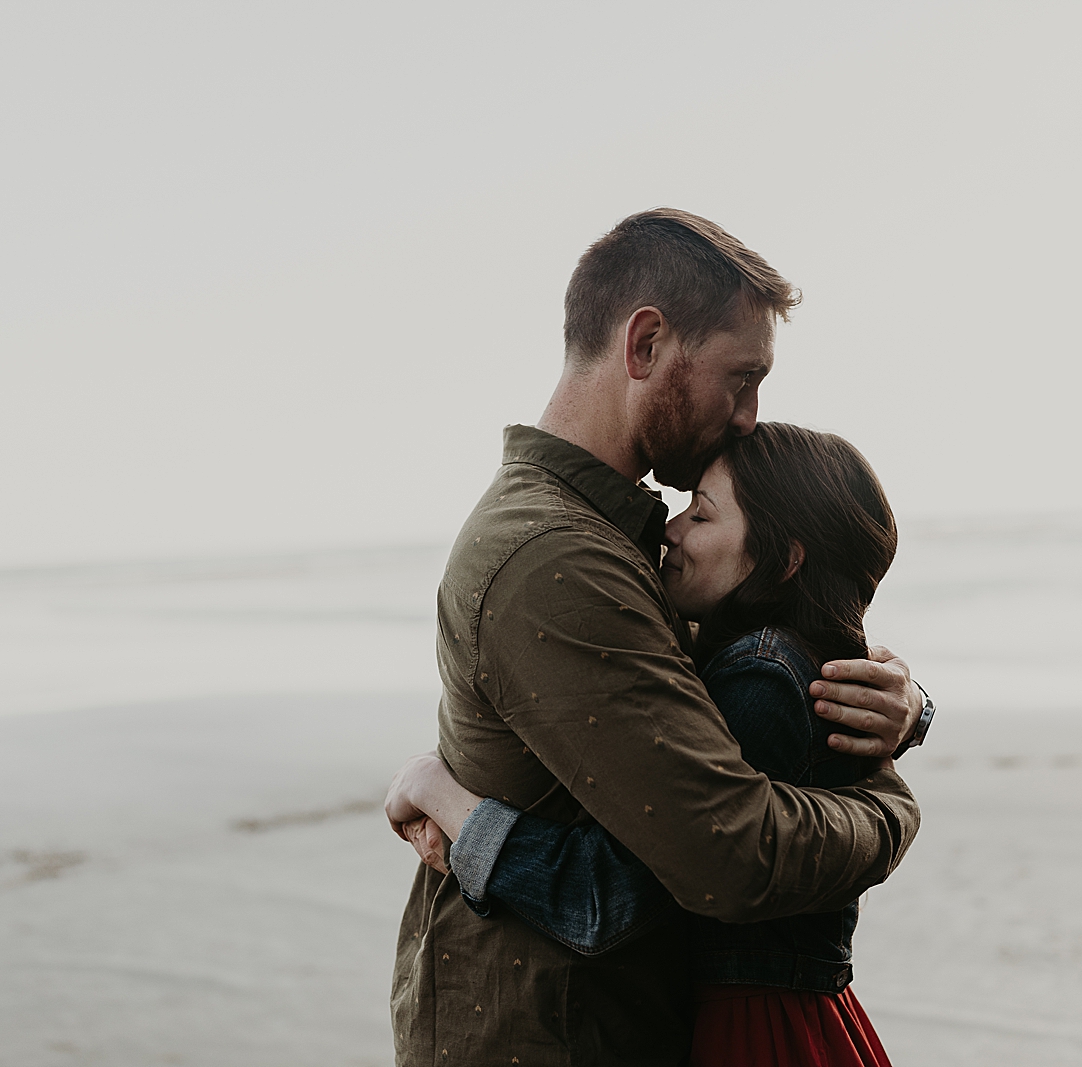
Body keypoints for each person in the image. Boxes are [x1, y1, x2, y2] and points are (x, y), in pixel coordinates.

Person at [384, 209, 926, 1066]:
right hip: (547, 1038)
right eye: (740, 378)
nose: (750, 417)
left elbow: (766, 672)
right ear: (645, 346)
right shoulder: (555, 554)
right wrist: (889, 812)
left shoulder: (618, 537)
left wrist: (905, 705)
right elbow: (728, 854)